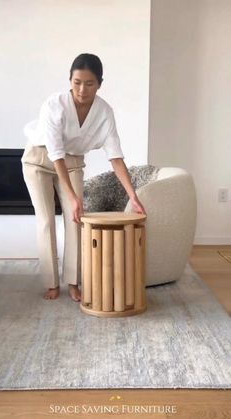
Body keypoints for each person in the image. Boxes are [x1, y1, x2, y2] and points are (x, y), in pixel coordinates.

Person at [22, 53, 146, 302]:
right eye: (77, 82)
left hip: (73, 163)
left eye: (89, 84)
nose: (82, 89)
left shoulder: (104, 112)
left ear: (99, 83)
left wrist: (133, 196)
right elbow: (56, 154)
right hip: (40, 159)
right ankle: (51, 283)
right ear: (70, 80)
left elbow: (115, 156)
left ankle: (73, 281)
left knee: (76, 219)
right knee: (46, 221)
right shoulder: (54, 104)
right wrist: (71, 195)